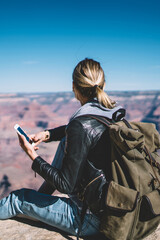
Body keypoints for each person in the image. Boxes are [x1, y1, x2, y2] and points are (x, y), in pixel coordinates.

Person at [0, 58, 125, 238]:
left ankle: (34, 203)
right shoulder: (113, 112)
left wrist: (32, 155)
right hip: (116, 204)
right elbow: (78, 132)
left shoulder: (81, 125)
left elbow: (65, 185)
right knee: (64, 143)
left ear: (74, 87)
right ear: (103, 85)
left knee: (16, 199)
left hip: (92, 219)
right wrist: (47, 134)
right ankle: (41, 200)